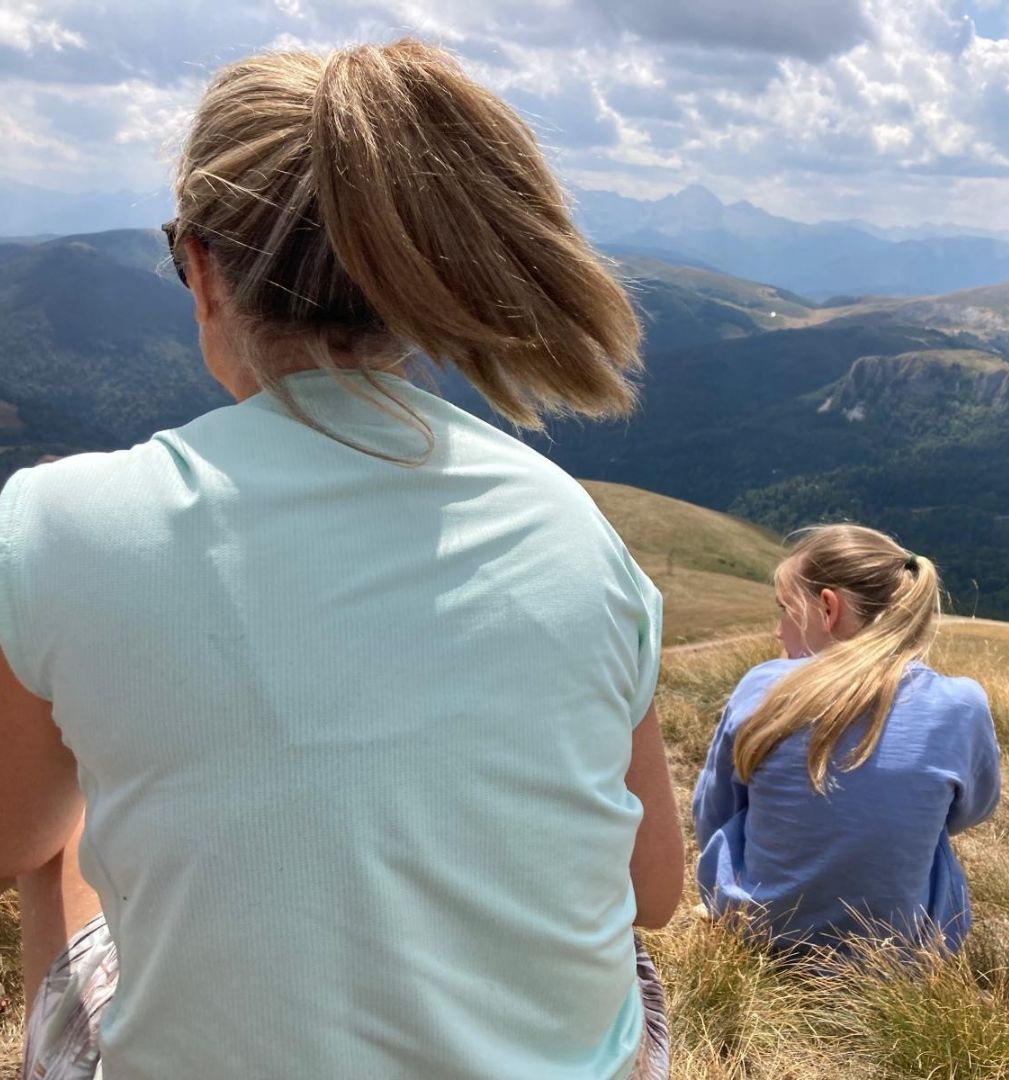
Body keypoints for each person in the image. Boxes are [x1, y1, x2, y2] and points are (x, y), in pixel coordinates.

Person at [0, 40, 684, 1079]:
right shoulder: (574, 530)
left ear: (197, 265)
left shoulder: (58, 521)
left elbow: (11, 838)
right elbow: (652, 894)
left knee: (61, 845)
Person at [692, 524, 1000, 954]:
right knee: (931, 835)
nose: (779, 631)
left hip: (757, 940)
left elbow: (712, 815)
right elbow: (971, 811)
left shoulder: (764, 684)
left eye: (785, 609)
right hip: (898, 960)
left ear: (828, 607)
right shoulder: (961, 703)